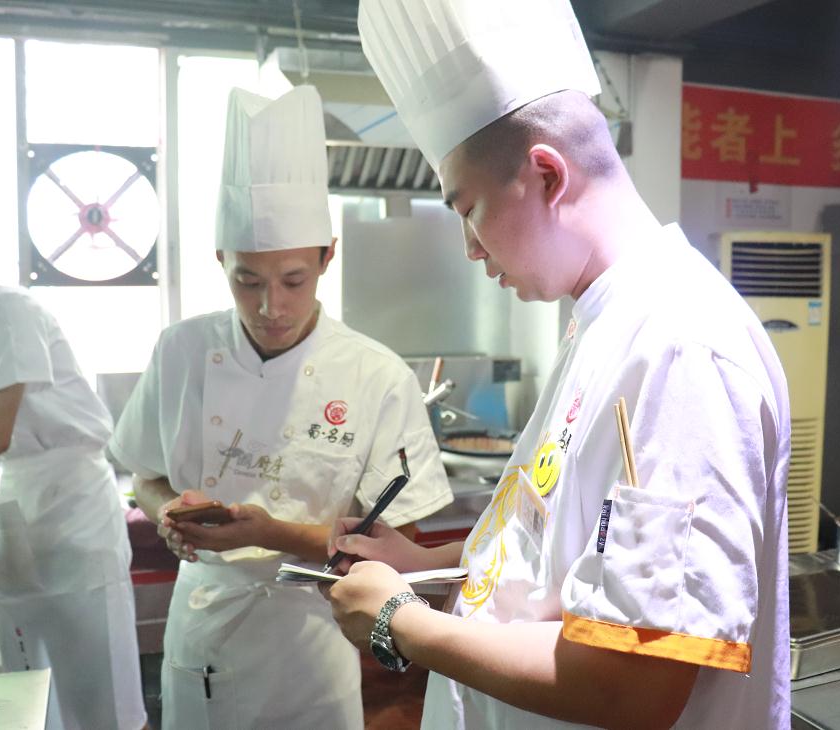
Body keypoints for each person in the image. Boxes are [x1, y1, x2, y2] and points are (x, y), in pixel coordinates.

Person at [325, 1, 791, 728]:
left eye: (469, 209)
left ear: (546, 174)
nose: (472, 250)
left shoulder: (680, 345)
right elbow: (572, 547)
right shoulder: (603, 325)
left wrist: (399, 621)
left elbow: (632, 685)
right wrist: (427, 560)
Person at [109, 85, 453, 730]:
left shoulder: (376, 374)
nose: (271, 306)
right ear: (221, 262)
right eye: (247, 280)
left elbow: (397, 544)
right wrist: (167, 516)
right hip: (205, 624)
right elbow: (147, 476)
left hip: (312, 637)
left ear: (327, 257)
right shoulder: (181, 351)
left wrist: (268, 532)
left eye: (293, 280)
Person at [0, 143, 147, 730]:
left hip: (72, 515)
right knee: (36, 691)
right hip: (20, 521)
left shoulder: (5, 311)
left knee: (102, 694)